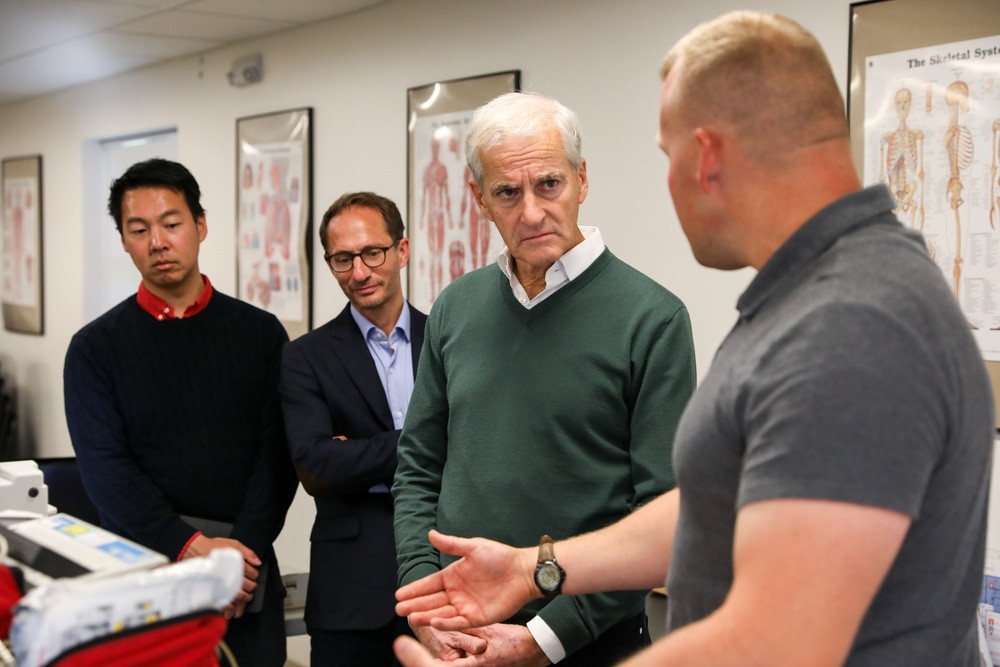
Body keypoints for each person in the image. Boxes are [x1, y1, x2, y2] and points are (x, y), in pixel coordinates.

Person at [392, 11, 995, 667]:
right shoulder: (818, 293)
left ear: (705, 156)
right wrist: (539, 567)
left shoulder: (854, 323)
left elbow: (781, 636)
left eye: (666, 154)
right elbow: (714, 501)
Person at [392, 91, 697, 666]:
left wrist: (545, 639)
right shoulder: (456, 308)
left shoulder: (653, 319)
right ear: (479, 198)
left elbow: (661, 515)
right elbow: (418, 470)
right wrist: (426, 604)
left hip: (591, 644)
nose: (531, 212)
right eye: (508, 192)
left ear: (582, 179)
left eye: (549, 185)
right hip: (455, 637)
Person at [63, 158, 298, 667]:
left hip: (246, 575)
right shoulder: (94, 349)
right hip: (141, 572)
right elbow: (106, 473)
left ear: (201, 225)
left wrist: (240, 559)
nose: (158, 242)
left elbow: (278, 459)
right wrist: (192, 547)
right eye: (139, 229)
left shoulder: (260, 334)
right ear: (124, 241)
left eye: (171, 224)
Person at [280, 191, 427, 665]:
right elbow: (317, 465)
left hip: (447, 578)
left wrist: (360, 454)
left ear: (401, 251)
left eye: (372, 253)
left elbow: (481, 446)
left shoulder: (449, 340)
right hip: (351, 594)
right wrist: (428, 443)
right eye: (342, 259)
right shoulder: (305, 357)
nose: (359, 272)